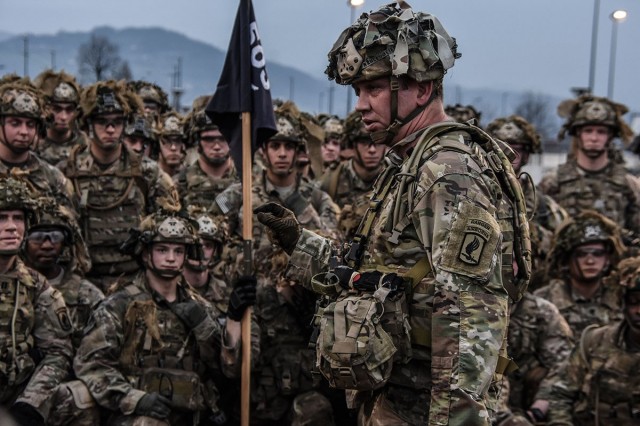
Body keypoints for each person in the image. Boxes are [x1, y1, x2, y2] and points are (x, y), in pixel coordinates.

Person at [255, 2, 531, 424]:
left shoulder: (447, 173)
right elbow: (378, 272)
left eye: (374, 89)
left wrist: (453, 420)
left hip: (423, 406)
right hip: (394, 395)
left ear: (420, 88)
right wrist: (298, 241)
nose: (361, 105)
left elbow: (472, 314)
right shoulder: (409, 163)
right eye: (358, 91)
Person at [214, 101, 339, 425]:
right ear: (263, 151)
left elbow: (333, 248)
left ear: (299, 152)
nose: (281, 153)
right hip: (256, 318)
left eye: (288, 146)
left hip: (301, 321)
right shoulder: (240, 196)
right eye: (275, 146)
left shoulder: (318, 200)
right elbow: (213, 244)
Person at [73, 210, 256, 425]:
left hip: (192, 415)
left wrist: (233, 320)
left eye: (178, 251)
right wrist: (135, 399)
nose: (171, 258)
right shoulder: (119, 305)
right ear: (145, 254)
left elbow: (230, 370)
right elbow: (92, 365)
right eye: (162, 250)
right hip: (137, 416)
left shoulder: (200, 307)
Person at [62, 80, 180, 291]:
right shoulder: (68, 172)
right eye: (102, 122)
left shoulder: (147, 172)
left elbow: (172, 222)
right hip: (83, 280)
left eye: (117, 122)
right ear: (89, 124)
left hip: (135, 279)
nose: (110, 129)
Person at [0, 177, 73, 426]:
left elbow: (58, 351)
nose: (11, 227)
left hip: (17, 398)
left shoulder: (36, 285)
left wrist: (30, 403)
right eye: (2, 218)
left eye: (18, 218)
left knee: (78, 401)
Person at [546, 255, 640, 425]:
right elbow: (561, 394)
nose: (639, 311)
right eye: (634, 302)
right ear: (623, 305)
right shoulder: (595, 342)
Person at [539, 94, 640, 239]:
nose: (594, 138)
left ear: (610, 136)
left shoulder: (628, 185)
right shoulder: (553, 182)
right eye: (588, 131)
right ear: (578, 134)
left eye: (601, 132)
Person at [486, 115, 569, 289]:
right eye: (501, 147)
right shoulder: (477, 193)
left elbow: (565, 243)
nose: (508, 154)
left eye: (516, 149)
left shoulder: (542, 204)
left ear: (526, 155)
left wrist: (533, 236)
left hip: (530, 292)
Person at [534, 210, 625, 338]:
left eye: (597, 253)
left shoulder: (623, 299)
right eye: (581, 254)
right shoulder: (544, 300)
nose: (590, 261)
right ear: (566, 259)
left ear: (608, 259)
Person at [0, 81, 76, 212]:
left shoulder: (54, 178)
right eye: (15, 123)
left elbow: (70, 226)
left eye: (30, 124)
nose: (24, 131)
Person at [319, 110, 385, 240]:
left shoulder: (398, 178)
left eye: (378, 140)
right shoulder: (330, 181)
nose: (372, 150)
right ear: (352, 144)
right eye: (365, 142)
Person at [175, 96, 238, 208]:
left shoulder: (246, 181)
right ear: (198, 141)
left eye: (223, 138)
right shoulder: (180, 184)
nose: (217, 146)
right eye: (209, 139)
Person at [33, 69, 88, 167]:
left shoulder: (86, 144)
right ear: (46, 109)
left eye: (69, 109)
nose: (63, 117)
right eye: (57, 109)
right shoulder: (33, 144)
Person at [154, 111, 187, 179]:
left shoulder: (189, 176)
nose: (173, 148)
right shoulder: (148, 176)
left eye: (177, 141)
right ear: (158, 144)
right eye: (167, 141)